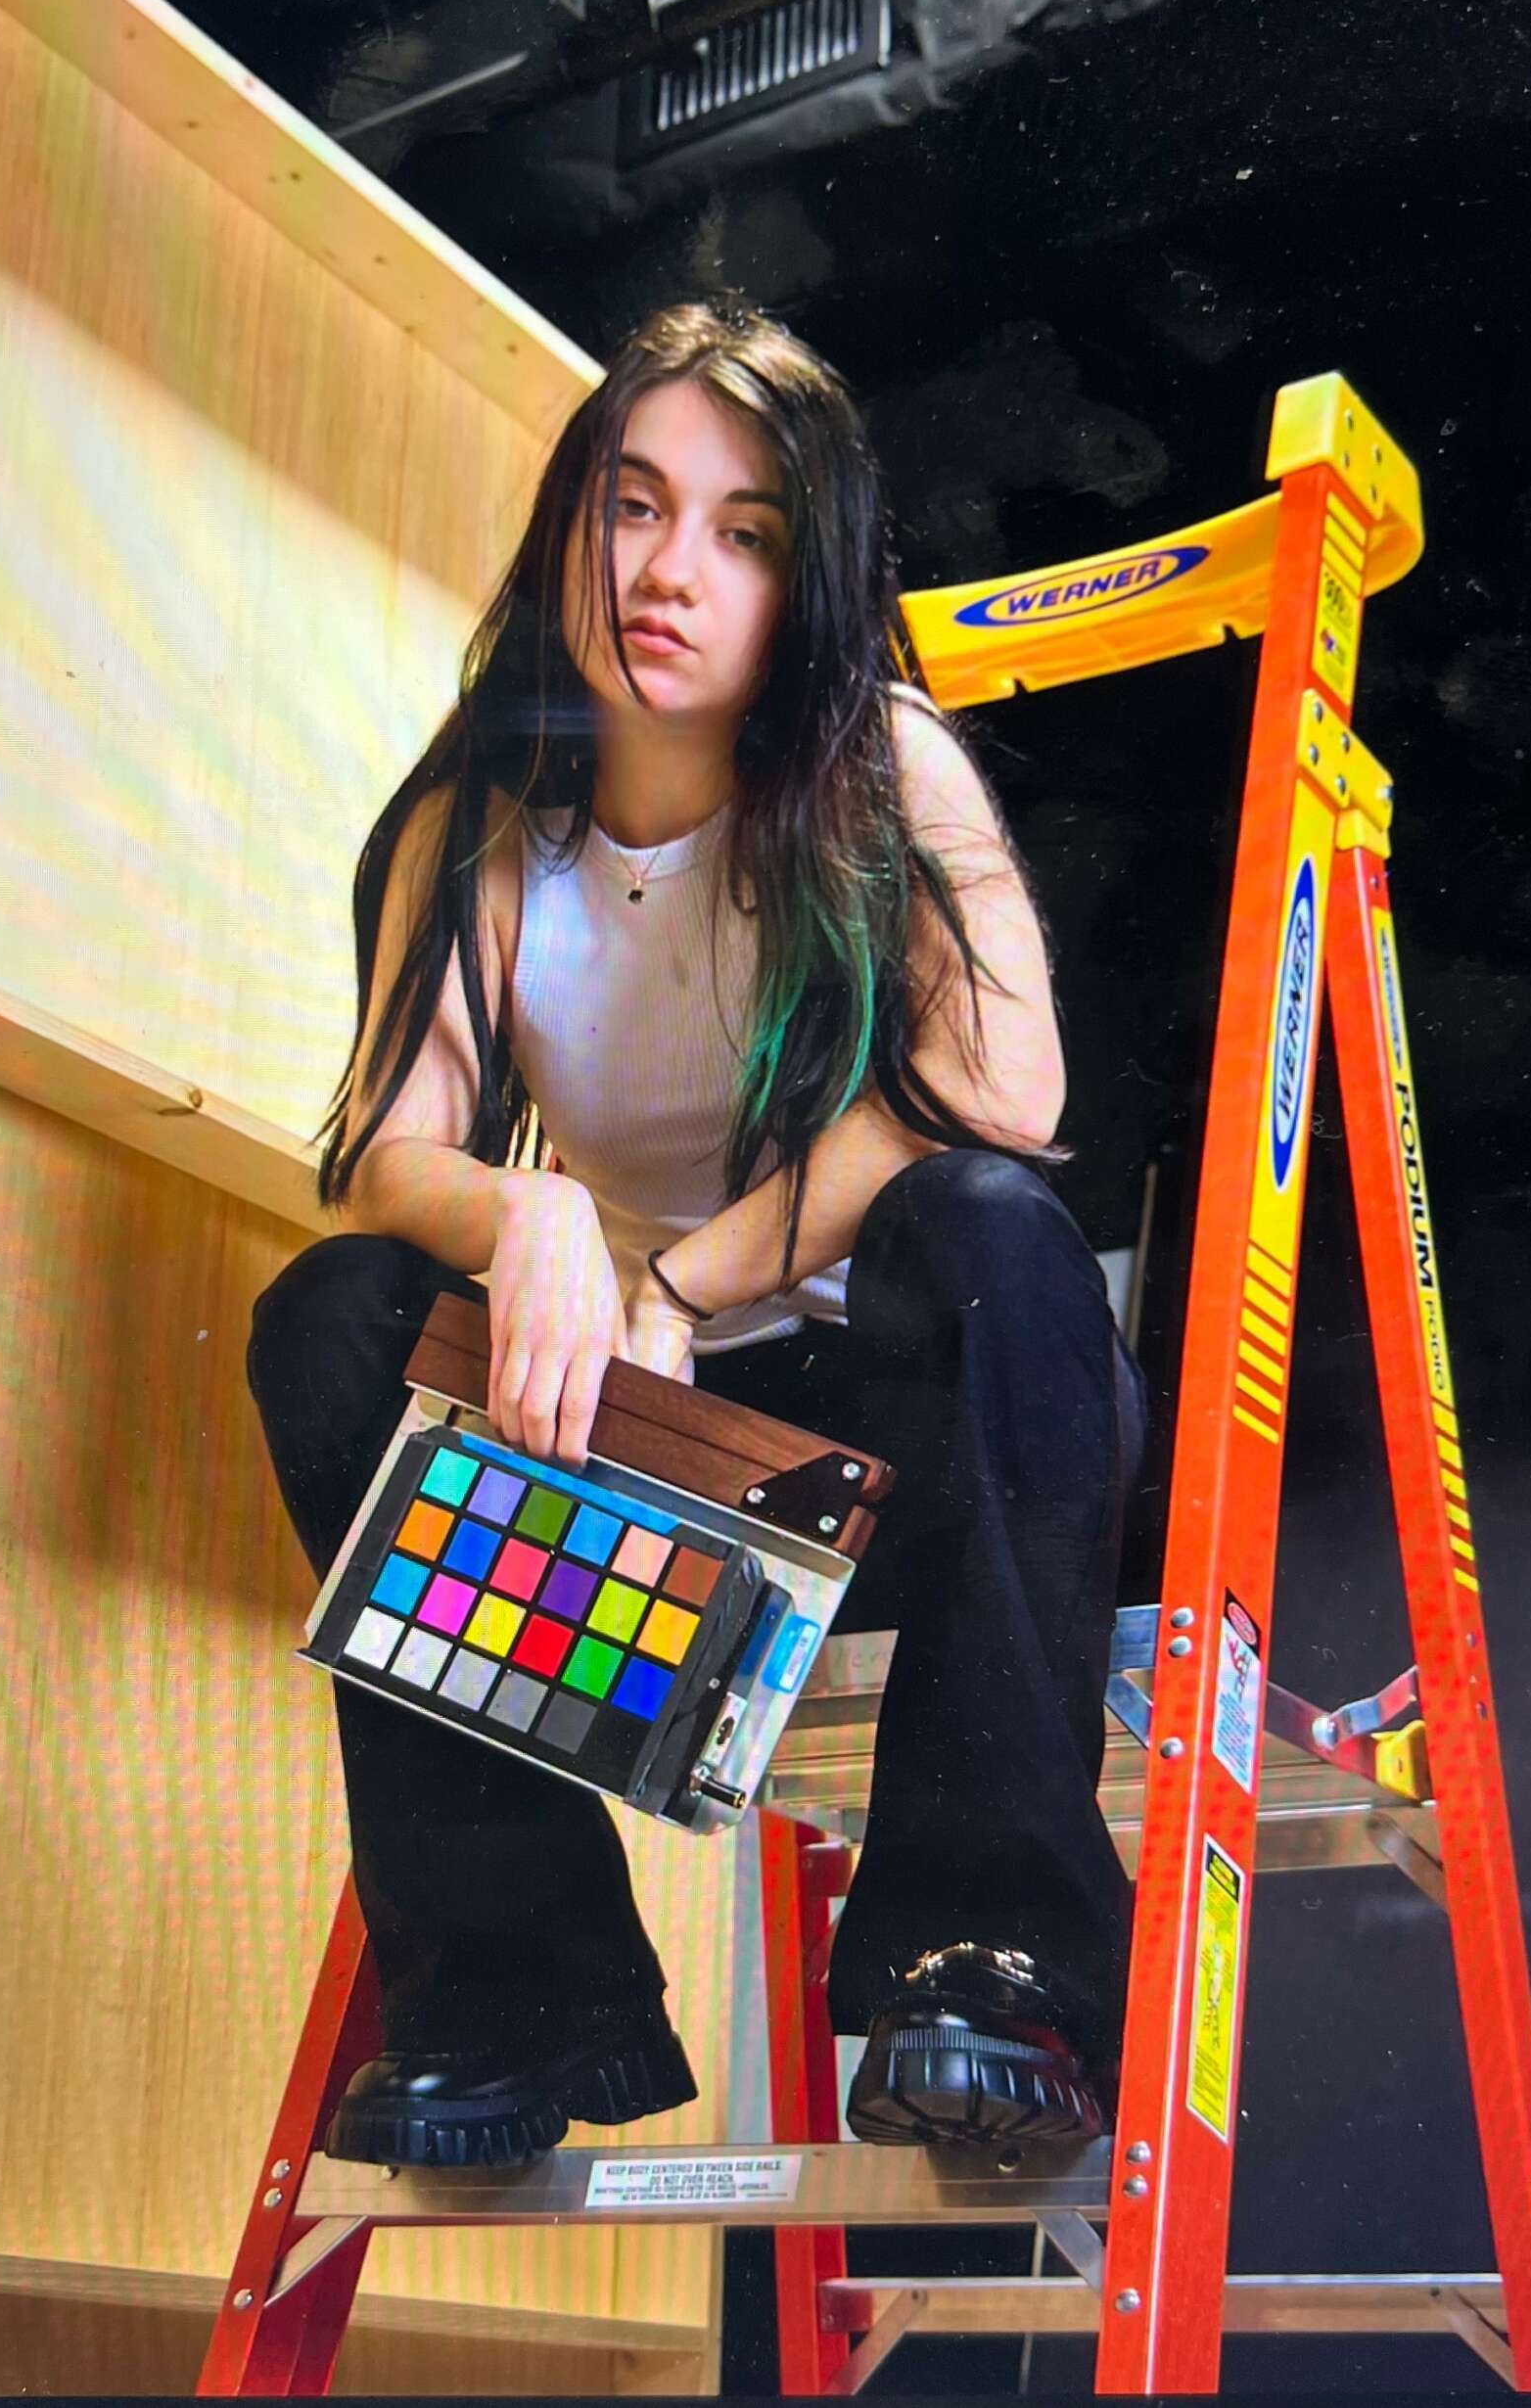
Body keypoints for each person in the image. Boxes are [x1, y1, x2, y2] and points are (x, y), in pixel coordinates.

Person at [244, 299, 1147, 2167]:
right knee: (330, 1311)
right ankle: (514, 1998)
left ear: (806, 585)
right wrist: (528, 1211)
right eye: (635, 505)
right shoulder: (481, 827)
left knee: (989, 1224)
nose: (668, 570)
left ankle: (991, 1972)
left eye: (743, 534)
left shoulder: (887, 767)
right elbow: (389, 1153)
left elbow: (1007, 1088)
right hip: (627, 1477)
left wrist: (677, 1276)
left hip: (897, 1470)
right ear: (571, 521)